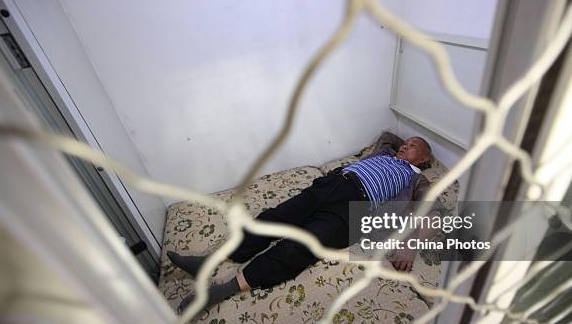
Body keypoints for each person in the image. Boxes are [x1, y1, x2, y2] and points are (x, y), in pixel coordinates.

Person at [168, 133, 433, 313]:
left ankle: (221, 291)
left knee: (297, 246)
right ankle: (210, 261)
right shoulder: (385, 152)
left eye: (413, 146)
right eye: (405, 142)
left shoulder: (417, 179)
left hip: (354, 208)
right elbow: (388, 135)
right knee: (272, 218)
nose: (404, 146)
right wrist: (405, 144)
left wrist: (410, 246)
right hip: (331, 183)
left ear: (424, 160)